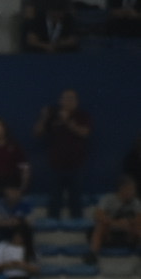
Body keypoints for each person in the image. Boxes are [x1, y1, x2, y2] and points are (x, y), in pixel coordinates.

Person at [34, 89, 90, 220]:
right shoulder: (53, 115)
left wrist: (68, 122)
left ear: (77, 102)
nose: (69, 101)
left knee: (75, 199)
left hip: (76, 165)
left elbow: (85, 133)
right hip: (56, 166)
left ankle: (78, 226)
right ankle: (52, 227)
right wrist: (44, 117)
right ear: (60, 101)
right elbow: (37, 133)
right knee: (55, 199)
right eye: (66, 98)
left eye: (72, 99)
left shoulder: (83, 116)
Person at [88, 176, 141, 263]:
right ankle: (93, 254)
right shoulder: (108, 199)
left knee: (139, 227)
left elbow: (139, 218)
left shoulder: (136, 202)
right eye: (130, 189)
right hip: (109, 233)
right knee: (100, 225)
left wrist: (128, 222)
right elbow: (98, 215)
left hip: (128, 234)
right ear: (122, 189)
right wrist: (115, 223)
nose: (133, 192)